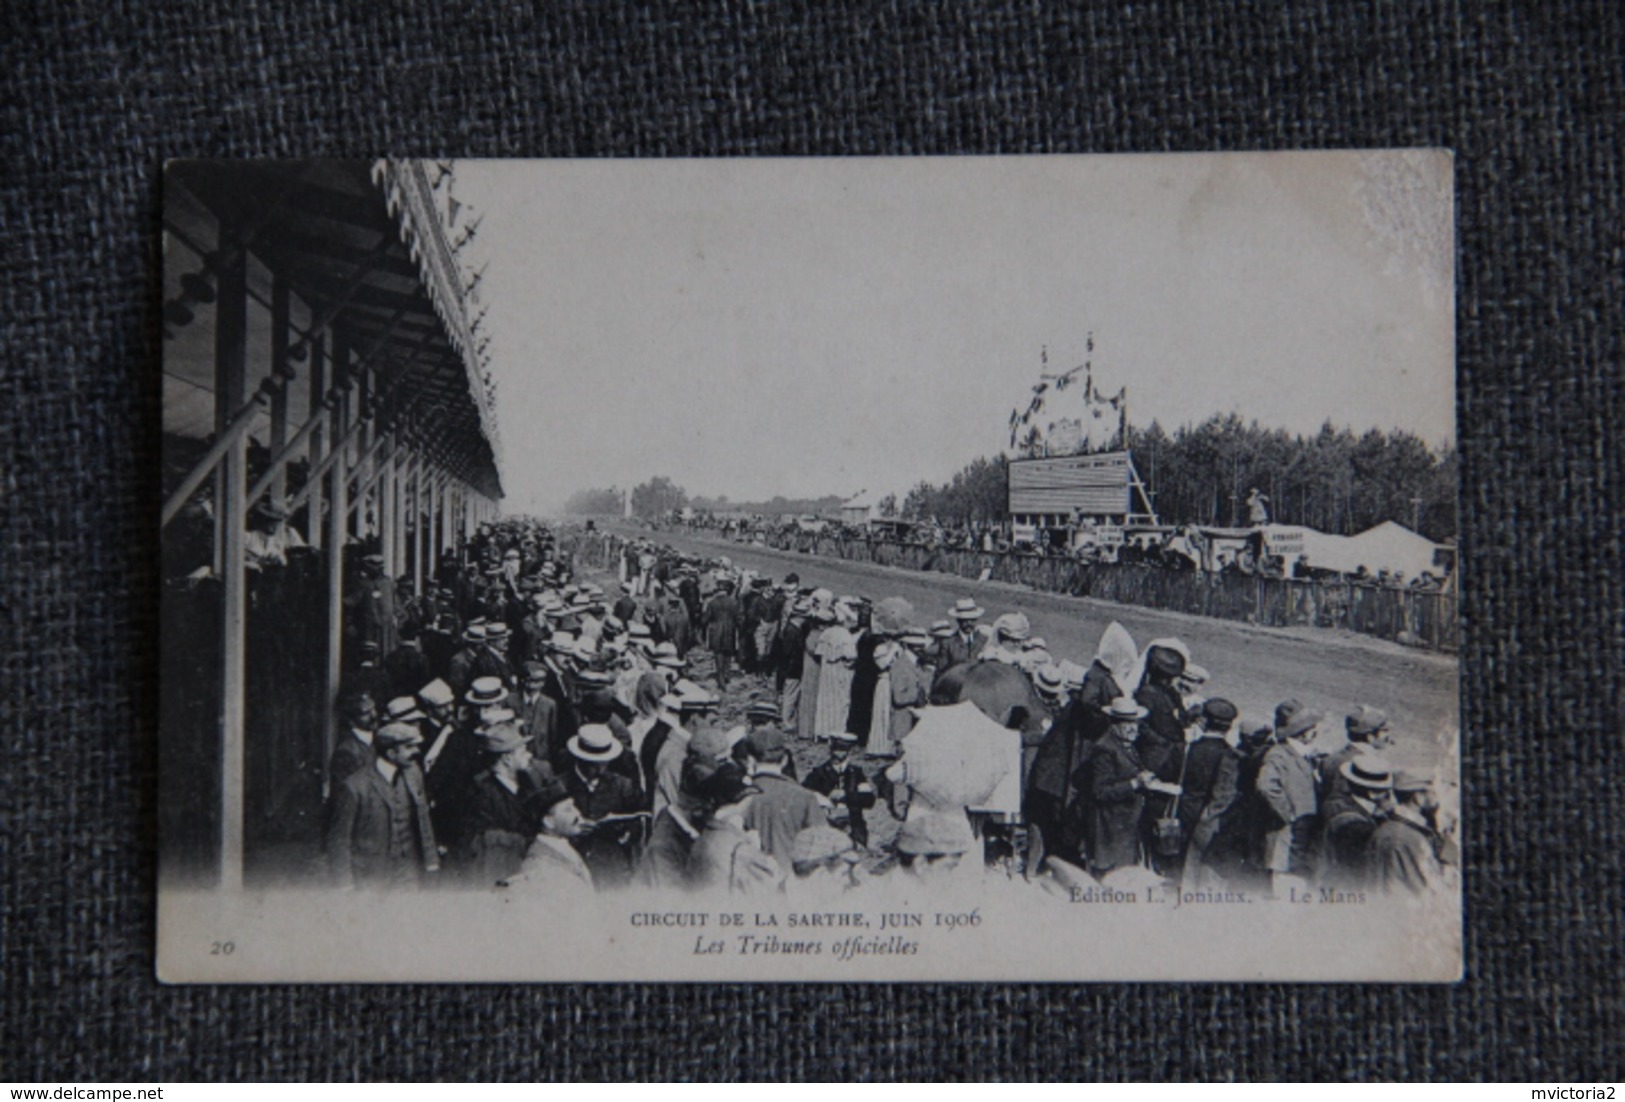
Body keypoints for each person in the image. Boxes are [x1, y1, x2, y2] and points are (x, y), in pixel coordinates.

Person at [325, 722, 439, 890]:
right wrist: (345, 885)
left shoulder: (414, 774)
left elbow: (423, 819)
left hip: (409, 875)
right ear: (391, 753)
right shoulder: (354, 787)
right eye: (409, 747)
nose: (416, 752)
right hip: (370, 878)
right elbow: (340, 840)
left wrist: (431, 863)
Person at [454, 721, 549, 886]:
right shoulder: (481, 793)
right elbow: (483, 843)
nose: (529, 755)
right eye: (523, 751)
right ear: (507, 759)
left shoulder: (529, 782)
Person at [562, 724, 643, 889]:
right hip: (570, 869)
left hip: (610, 871)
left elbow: (637, 823)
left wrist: (627, 833)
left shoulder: (623, 786)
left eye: (604, 763)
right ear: (580, 759)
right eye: (593, 764)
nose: (600, 769)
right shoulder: (561, 785)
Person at [1081, 697, 1156, 876]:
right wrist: (1135, 783)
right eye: (1127, 724)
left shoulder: (1123, 743)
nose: (1133, 729)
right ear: (1114, 723)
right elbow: (1100, 792)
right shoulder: (1104, 748)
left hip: (1124, 823)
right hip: (1111, 826)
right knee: (1111, 876)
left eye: (1135, 723)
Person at [1254, 703, 1324, 893]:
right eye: (1312, 727)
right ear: (1302, 732)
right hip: (1287, 835)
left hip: (1299, 835)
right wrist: (1288, 813)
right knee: (1284, 889)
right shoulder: (1278, 754)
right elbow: (1266, 786)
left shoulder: (1299, 753)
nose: (1316, 731)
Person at [1177, 699, 1245, 890]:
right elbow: (1223, 793)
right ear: (1229, 726)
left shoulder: (1191, 747)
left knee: (1185, 864)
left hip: (1186, 809)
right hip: (1207, 817)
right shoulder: (1229, 754)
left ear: (1204, 720)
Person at [740, 723, 825, 874]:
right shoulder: (805, 797)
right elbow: (822, 849)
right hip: (791, 882)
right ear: (785, 760)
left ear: (750, 760)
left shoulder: (738, 795)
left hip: (749, 882)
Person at [689, 761, 780, 897]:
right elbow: (767, 888)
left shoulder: (707, 832)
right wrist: (760, 855)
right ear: (743, 800)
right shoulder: (739, 847)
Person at [503, 776, 595, 897]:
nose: (578, 813)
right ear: (549, 822)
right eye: (568, 809)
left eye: (574, 806)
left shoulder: (563, 846)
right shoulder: (537, 866)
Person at [1369, 771, 1449, 895]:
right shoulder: (1413, 838)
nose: (1437, 798)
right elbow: (1432, 890)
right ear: (1418, 798)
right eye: (1433, 792)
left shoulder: (1384, 828)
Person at [1321, 758, 1394, 889]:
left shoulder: (1337, 803)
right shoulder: (1357, 827)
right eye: (1386, 792)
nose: (1389, 797)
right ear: (1373, 794)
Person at [802, 731, 876, 849]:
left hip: (853, 827)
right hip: (827, 826)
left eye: (843, 750)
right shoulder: (819, 773)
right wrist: (825, 800)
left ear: (848, 752)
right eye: (836, 750)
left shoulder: (856, 773)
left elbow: (869, 800)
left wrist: (846, 795)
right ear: (830, 750)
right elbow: (804, 794)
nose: (838, 754)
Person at [701, 576, 743, 689]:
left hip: (716, 631)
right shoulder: (734, 603)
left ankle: (720, 677)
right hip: (730, 630)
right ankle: (726, 674)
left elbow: (705, 620)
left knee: (718, 654)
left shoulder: (712, 603)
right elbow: (739, 619)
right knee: (728, 653)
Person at [329, 690, 378, 786]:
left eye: (373, 709)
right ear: (351, 720)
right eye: (365, 713)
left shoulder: (377, 740)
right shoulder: (347, 751)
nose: (374, 715)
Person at [937, 598, 986, 670]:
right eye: (965, 620)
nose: (969, 624)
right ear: (958, 620)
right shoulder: (948, 644)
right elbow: (941, 672)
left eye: (972, 620)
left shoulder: (984, 641)